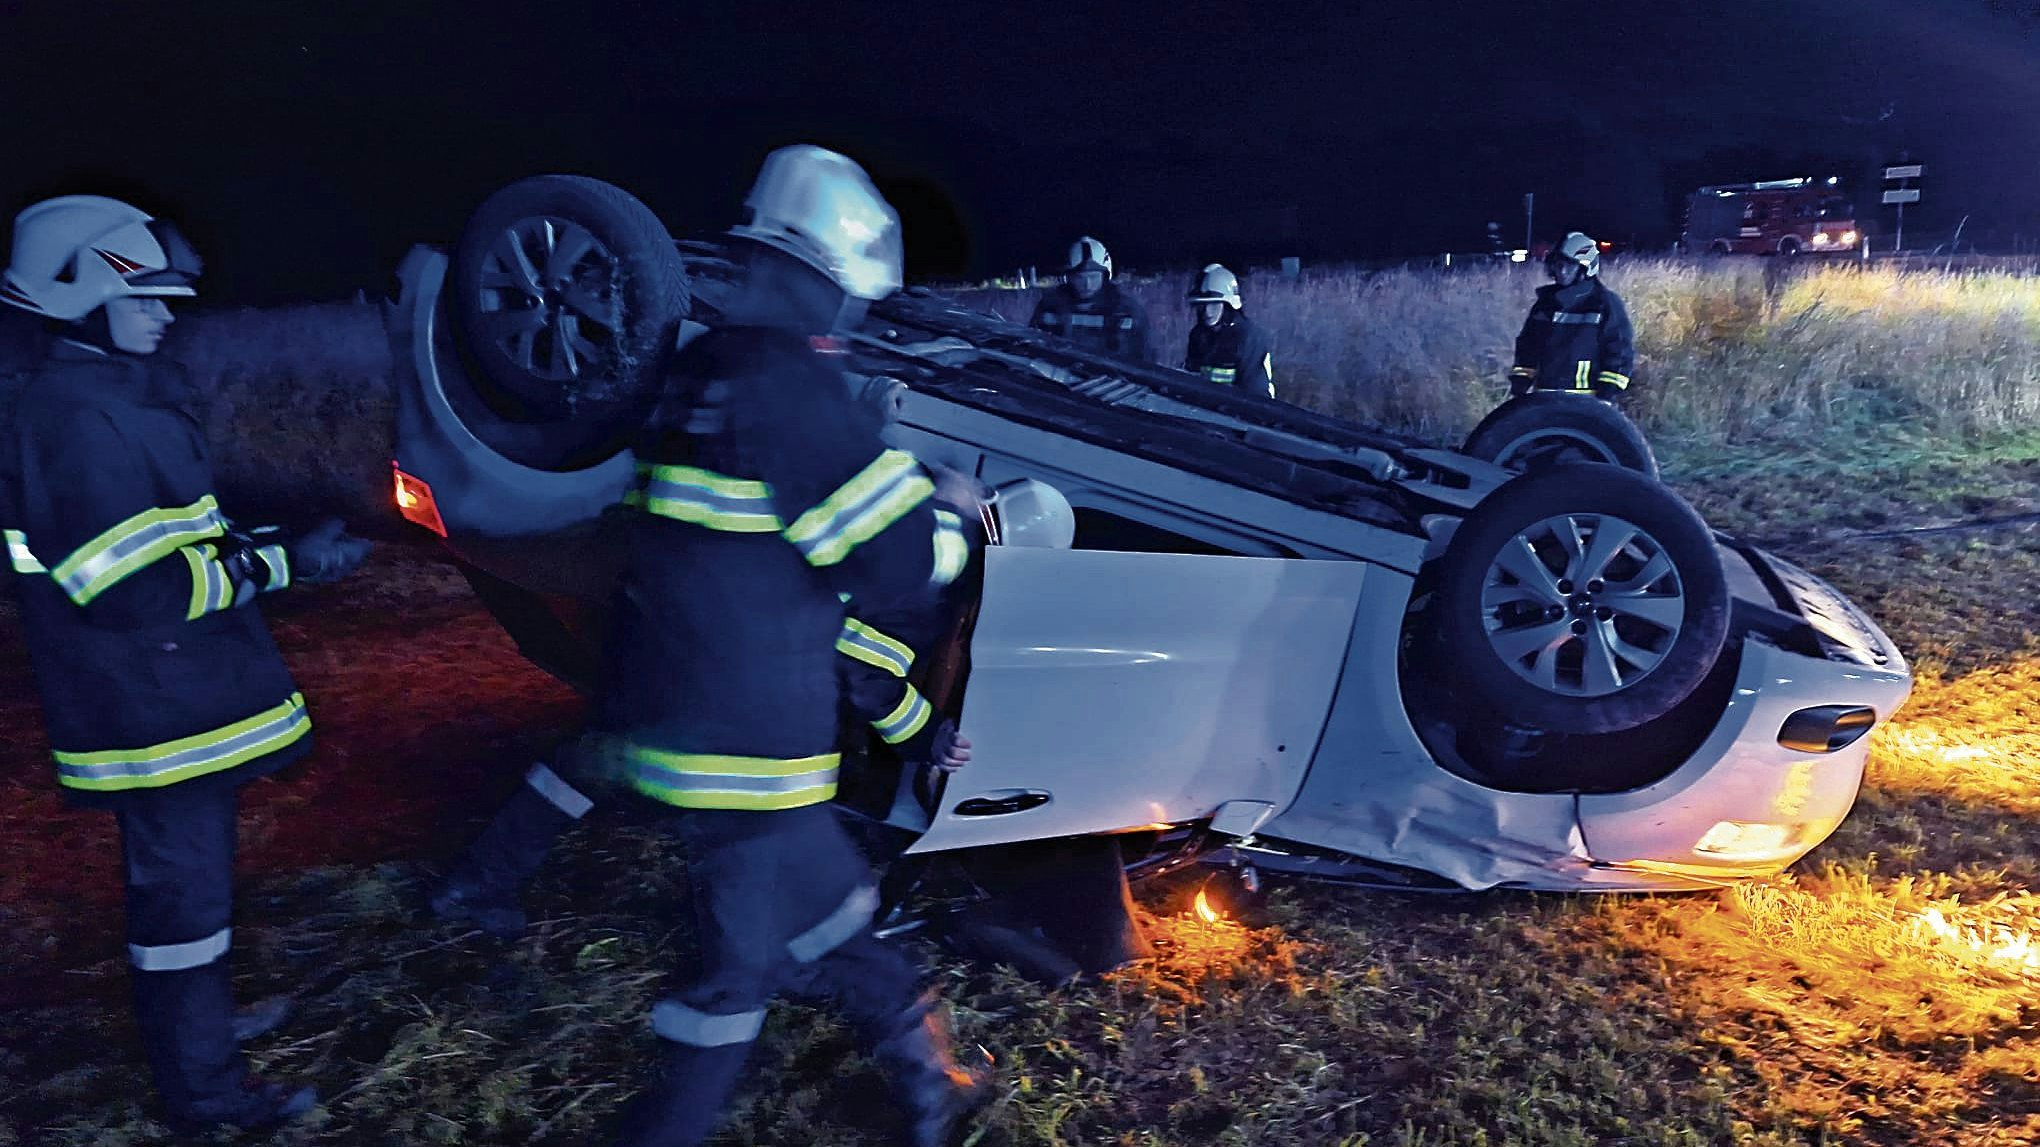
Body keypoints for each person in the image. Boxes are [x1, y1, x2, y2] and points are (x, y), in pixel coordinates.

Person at [604, 145, 986, 1147]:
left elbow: (758, 536)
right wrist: (945, 507)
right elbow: (898, 566)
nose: (853, 316)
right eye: (852, 293)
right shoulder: (793, 386)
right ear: (821, 272)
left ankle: (928, 1082)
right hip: (750, 751)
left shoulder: (697, 370)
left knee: (834, 913)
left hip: (686, 720)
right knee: (732, 983)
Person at [0, 196, 371, 1132]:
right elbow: (128, 588)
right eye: (149, 296)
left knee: (193, 890)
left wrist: (265, 537)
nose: (169, 312)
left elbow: (167, 530)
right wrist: (288, 563)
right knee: (182, 893)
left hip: (162, 688)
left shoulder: (101, 393)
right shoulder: (71, 415)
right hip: (143, 701)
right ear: (80, 294)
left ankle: (200, 1029)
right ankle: (205, 1095)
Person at [1507, 231, 1634, 400]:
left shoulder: (1604, 304)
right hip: (1543, 398)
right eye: (1558, 265)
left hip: (1586, 401)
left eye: (1569, 265)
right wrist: (1520, 385)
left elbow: (1619, 352)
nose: (1562, 271)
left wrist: (1606, 395)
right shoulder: (1545, 304)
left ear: (1584, 269)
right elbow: (1528, 347)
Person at [1028, 235, 1153, 363]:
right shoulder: (1049, 308)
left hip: (1113, 381)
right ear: (1068, 277)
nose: (1087, 284)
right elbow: (1033, 350)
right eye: (1080, 277)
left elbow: (1146, 360)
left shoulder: (1127, 312)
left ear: (1105, 275)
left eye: (1093, 277)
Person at [1182, 263, 1275, 398]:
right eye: (1202, 305)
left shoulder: (1248, 337)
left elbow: (1256, 397)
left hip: (1237, 415)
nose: (1207, 312)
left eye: (1214, 304)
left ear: (1228, 305)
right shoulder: (1198, 336)